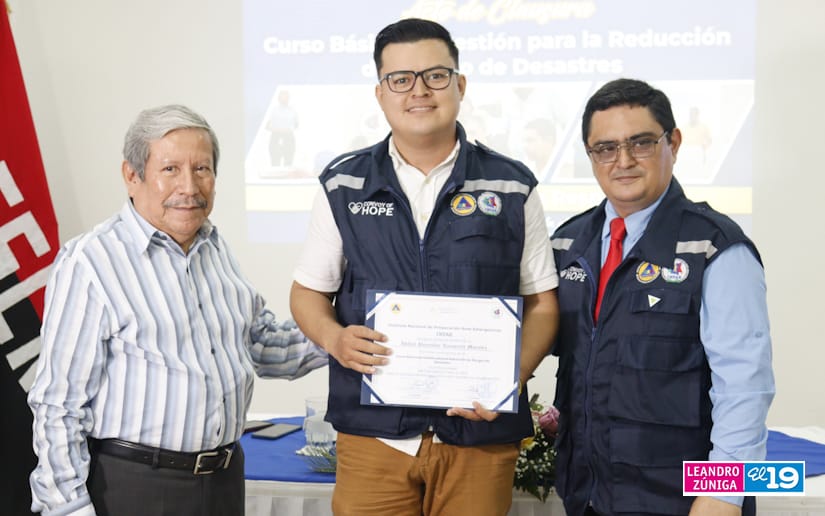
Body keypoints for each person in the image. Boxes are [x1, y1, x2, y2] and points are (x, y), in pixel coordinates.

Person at [289, 18, 560, 516]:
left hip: (479, 439)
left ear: (460, 84)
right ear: (380, 93)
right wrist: (335, 339)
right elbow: (307, 293)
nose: (419, 91)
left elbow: (542, 303)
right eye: (401, 79)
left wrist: (512, 376)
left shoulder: (511, 185)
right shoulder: (344, 185)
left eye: (435, 75)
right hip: (374, 438)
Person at [28, 104, 327, 516]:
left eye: (202, 169)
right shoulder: (91, 262)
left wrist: (346, 330)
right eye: (170, 169)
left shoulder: (214, 249)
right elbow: (58, 406)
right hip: (136, 487)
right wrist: (68, 509)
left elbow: (263, 347)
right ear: (132, 176)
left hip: (223, 482)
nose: (189, 186)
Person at [550, 78, 775, 515]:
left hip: (683, 502)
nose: (623, 161)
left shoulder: (714, 247)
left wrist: (724, 495)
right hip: (587, 497)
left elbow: (745, 385)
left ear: (673, 143)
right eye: (606, 148)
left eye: (641, 143)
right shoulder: (567, 243)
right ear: (591, 156)